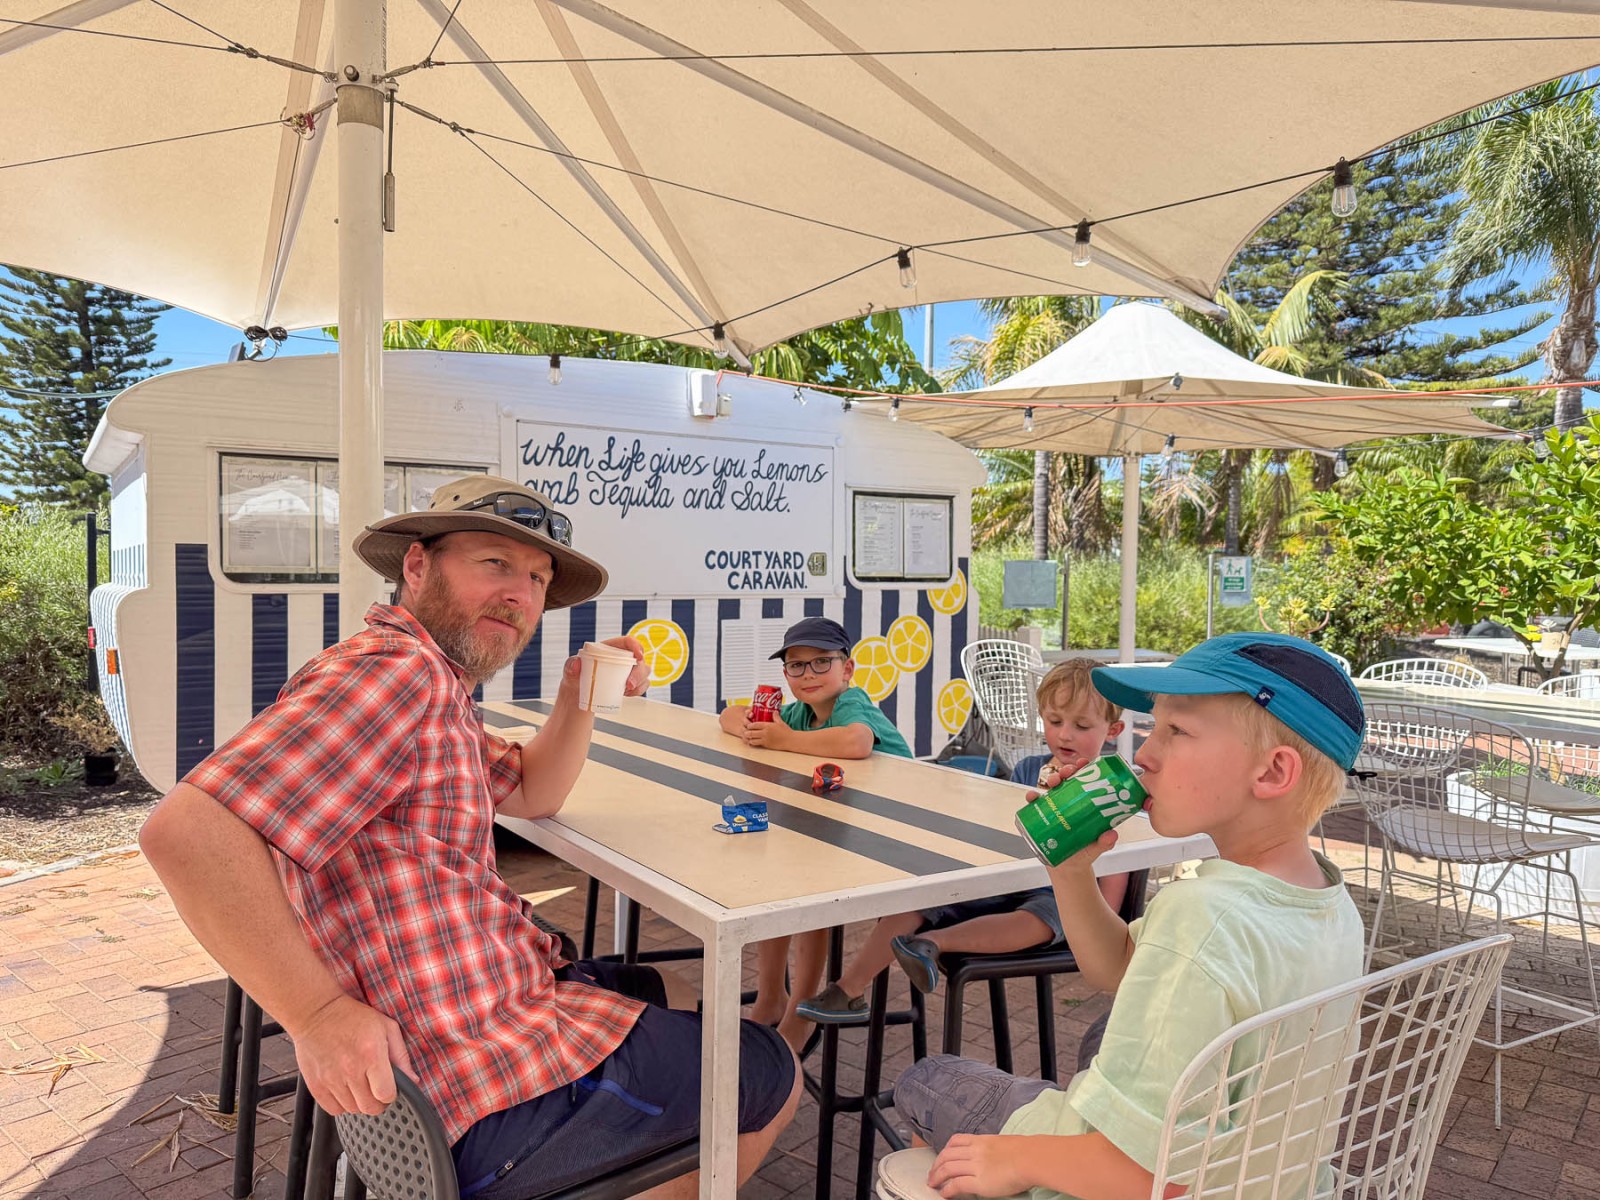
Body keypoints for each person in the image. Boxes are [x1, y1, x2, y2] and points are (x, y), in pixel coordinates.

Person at [139, 476, 799, 1200]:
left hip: (485, 1005)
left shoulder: (431, 683)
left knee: (672, 989)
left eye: (538, 579)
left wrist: (581, 687)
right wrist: (317, 1016)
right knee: (772, 1070)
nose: (520, 595)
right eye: (495, 563)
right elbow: (187, 832)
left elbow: (533, 790)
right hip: (477, 1072)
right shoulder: (398, 675)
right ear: (417, 566)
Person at [892, 631, 1366, 1200]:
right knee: (1102, 1035)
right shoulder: (1328, 901)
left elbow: (1154, 1174)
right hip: (1270, 1181)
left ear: (1271, 773)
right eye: (1152, 727)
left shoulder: (1202, 916)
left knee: (927, 1080)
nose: (1143, 754)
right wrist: (1072, 869)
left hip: (1118, 1175)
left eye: (1176, 731)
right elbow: (1116, 966)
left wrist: (1014, 1158)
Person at [792, 660, 1129, 1028]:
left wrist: (1102, 920)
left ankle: (933, 942)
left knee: (1043, 916)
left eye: (1081, 726)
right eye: (1054, 721)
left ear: (1113, 730)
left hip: (1065, 898)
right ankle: (848, 990)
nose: (1065, 735)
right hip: (1005, 879)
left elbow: (1124, 859)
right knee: (924, 894)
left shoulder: (1111, 788)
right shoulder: (1027, 770)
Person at [718, 616, 911, 1050]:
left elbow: (857, 743)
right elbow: (727, 715)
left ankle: (800, 1012)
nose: (808, 675)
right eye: (796, 665)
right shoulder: (800, 713)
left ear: (848, 668)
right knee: (778, 877)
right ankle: (771, 995)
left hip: (894, 831)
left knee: (807, 889)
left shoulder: (850, 702)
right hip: (840, 824)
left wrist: (781, 740)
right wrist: (753, 728)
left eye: (822, 662)